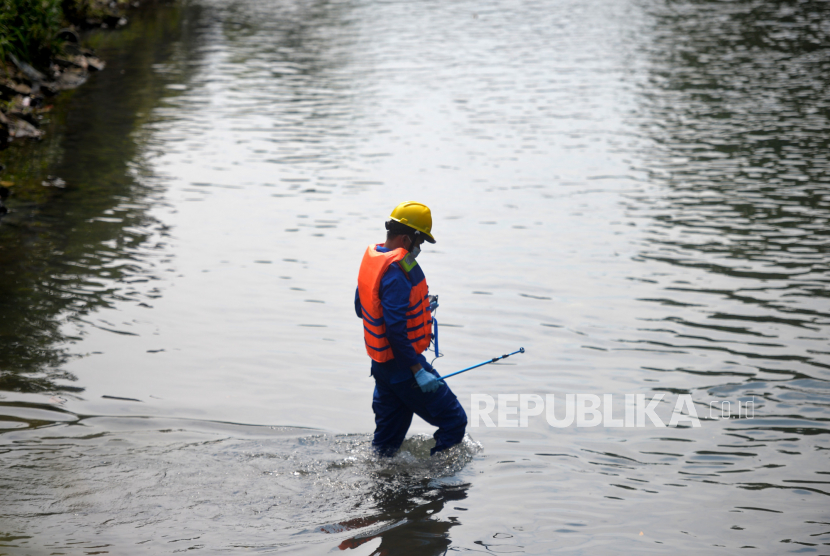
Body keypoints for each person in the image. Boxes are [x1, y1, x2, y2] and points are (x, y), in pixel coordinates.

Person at [355, 201, 467, 456]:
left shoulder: (375, 261)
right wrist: (418, 371)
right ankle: (435, 487)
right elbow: (396, 331)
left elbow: (362, 308)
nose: (420, 248)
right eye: (420, 242)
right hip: (404, 368)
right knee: (454, 421)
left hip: (381, 366)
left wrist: (418, 307)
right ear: (407, 238)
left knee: (386, 446)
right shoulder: (397, 271)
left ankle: (385, 487)